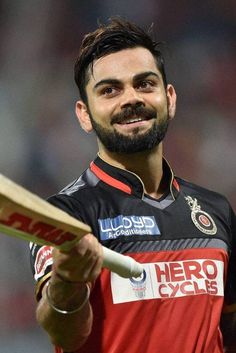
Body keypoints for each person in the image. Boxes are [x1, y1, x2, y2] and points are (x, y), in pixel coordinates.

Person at [30, 18, 236, 353]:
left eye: (145, 84)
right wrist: (67, 280)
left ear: (169, 99)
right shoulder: (66, 215)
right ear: (84, 114)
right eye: (109, 90)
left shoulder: (217, 212)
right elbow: (63, 334)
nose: (131, 99)